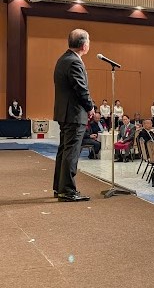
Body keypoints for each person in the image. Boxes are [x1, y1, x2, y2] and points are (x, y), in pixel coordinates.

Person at [53, 29, 94, 202]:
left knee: (64, 151)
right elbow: (81, 88)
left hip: (65, 113)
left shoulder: (63, 59)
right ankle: (68, 190)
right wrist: (90, 107)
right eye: (89, 41)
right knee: (71, 152)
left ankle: (59, 187)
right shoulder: (75, 62)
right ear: (84, 45)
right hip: (74, 114)